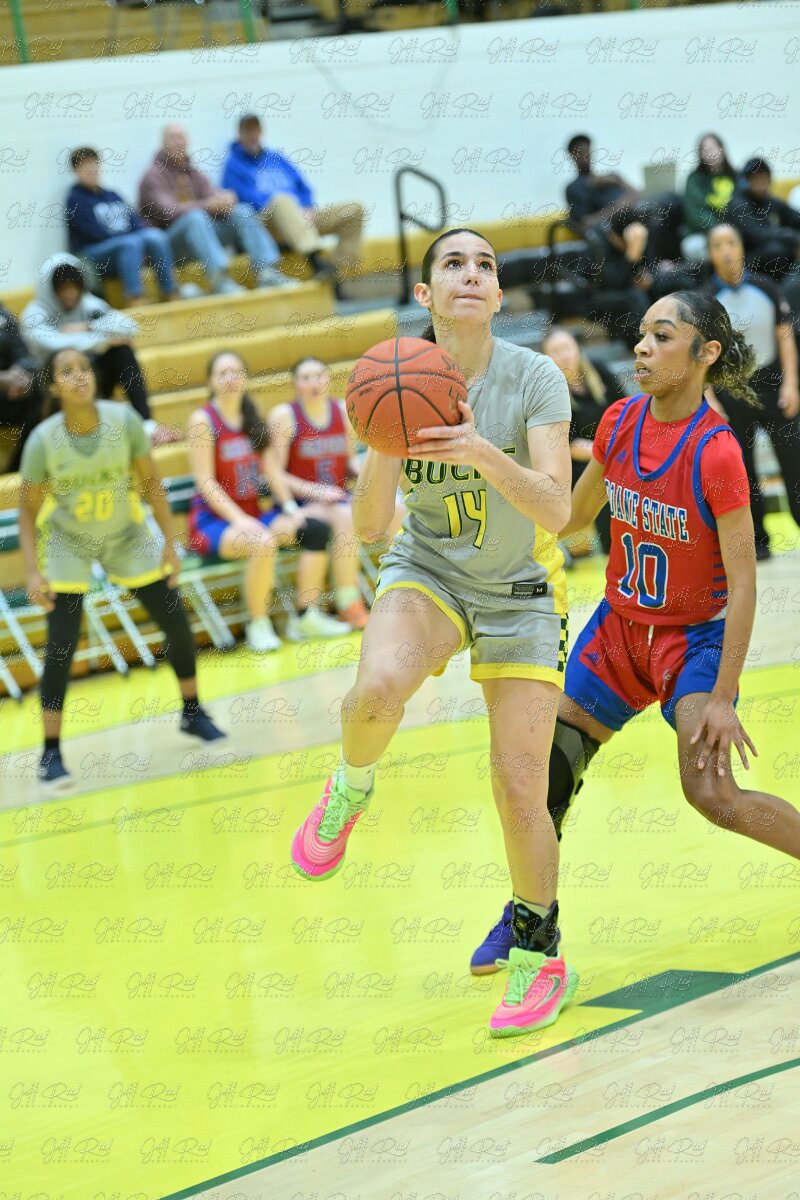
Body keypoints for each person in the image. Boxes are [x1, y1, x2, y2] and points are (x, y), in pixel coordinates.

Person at [290, 228, 578, 1039]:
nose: (471, 273)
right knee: (375, 690)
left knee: (518, 785)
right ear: (426, 295)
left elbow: (559, 508)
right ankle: (351, 787)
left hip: (522, 592)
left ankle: (539, 957)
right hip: (431, 569)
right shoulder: (391, 376)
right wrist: (386, 440)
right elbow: (370, 526)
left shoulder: (535, 378)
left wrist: (481, 451)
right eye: (454, 263)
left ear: (498, 295)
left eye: (485, 265)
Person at [470, 292, 800, 977]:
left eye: (663, 336)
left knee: (712, 796)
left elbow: (745, 584)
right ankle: (528, 913)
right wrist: (490, 463)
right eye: (642, 334)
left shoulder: (716, 452)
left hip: (694, 642)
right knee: (546, 776)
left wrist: (723, 695)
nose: (642, 347)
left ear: (706, 353)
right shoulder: (620, 422)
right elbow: (568, 518)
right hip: (619, 633)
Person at [18, 348, 225, 792]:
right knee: (61, 643)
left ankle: (192, 712)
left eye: (84, 369)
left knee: (175, 619)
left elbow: (151, 484)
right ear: (53, 385)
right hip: (68, 540)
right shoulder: (41, 440)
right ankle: (50, 752)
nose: (80, 377)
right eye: (67, 371)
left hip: (126, 533)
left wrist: (169, 544)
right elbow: (27, 511)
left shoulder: (124, 420)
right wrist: (33, 572)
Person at [187, 350, 347, 653]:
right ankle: (258, 625)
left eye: (236, 372)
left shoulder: (252, 417)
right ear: (210, 381)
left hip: (253, 517)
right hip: (213, 523)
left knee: (313, 528)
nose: (230, 378)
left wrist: (289, 508)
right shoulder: (203, 420)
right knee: (263, 542)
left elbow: (272, 471)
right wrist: (239, 520)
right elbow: (205, 483)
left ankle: (305, 616)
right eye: (222, 373)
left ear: (245, 378)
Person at [705, 224, 800, 560]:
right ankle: (758, 540)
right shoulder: (705, 301)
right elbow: (700, 355)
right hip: (731, 390)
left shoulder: (766, 287)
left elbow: (785, 338)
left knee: (794, 461)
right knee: (742, 471)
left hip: (774, 385)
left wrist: (791, 384)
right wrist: (711, 400)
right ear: (710, 253)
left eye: (731, 242)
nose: (726, 250)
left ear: (742, 247)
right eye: (718, 245)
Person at [20, 255, 177, 448]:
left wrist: (87, 326)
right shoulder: (34, 313)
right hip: (53, 390)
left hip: (91, 379)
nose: (70, 293)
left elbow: (129, 327)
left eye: (74, 287)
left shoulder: (88, 304)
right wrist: (102, 341)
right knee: (57, 369)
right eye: (63, 288)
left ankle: (147, 425)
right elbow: (53, 344)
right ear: (50, 290)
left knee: (122, 352)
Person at [267, 357, 374, 631]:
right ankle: (348, 601)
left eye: (319, 375)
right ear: (295, 384)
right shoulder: (284, 416)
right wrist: (315, 490)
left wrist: (367, 472)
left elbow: (349, 461)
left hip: (336, 499)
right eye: (305, 377)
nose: (314, 382)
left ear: (328, 379)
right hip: (298, 503)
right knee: (346, 518)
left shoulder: (341, 410)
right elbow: (274, 473)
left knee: (398, 509)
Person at [138, 124, 297, 294]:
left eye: (182, 137)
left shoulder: (193, 172)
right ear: (163, 144)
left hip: (200, 237)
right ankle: (220, 281)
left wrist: (224, 200)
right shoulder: (152, 176)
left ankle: (267, 273)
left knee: (242, 212)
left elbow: (211, 195)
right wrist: (208, 205)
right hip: (171, 247)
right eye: (174, 138)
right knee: (195, 218)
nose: (179, 142)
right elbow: (169, 211)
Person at [221, 115, 365, 287]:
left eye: (256, 131)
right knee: (281, 200)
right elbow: (247, 200)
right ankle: (314, 258)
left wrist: (307, 207)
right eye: (248, 131)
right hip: (268, 224)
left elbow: (303, 186)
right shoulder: (233, 165)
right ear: (240, 134)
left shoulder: (276, 158)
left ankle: (336, 275)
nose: (253, 136)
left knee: (354, 210)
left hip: (302, 217)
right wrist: (293, 211)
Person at [65, 147, 191, 306]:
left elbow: (135, 223)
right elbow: (93, 233)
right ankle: (134, 297)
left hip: (125, 245)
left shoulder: (112, 195)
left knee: (155, 236)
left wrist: (139, 237)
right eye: (85, 166)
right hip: (93, 252)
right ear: (76, 172)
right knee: (130, 243)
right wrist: (131, 239)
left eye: (94, 164)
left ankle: (170, 291)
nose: (91, 170)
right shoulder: (75, 200)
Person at [541, 327, 624, 555]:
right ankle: (612, 549)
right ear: (547, 358)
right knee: (604, 477)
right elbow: (566, 445)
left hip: (612, 450)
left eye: (567, 348)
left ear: (577, 349)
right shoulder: (548, 391)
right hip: (575, 463)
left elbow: (626, 408)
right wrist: (605, 453)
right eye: (556, 351)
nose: (564, 355)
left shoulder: (598, 369)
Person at [728, 158, 800, 282]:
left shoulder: (770, 201)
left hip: (769, 253)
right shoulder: (738, 205)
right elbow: (757, 234)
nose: (760, 184)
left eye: (764, 178)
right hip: (744, 260)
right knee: (776, 250)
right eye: (755, 179)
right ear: (745, 182)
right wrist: (794, 238)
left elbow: (795, 217)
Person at [0, 301, 42, 472]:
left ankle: (19, 467)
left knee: (42, 391)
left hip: (8, 393)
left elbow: (24, 354)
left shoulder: (3, 315)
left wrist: (20, 373)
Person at [681, 133, 737, 261]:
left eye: (712, 148)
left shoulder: (735, 176)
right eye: (704, 150)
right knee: (694, 247)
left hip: (734, 231)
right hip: (703, 233)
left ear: (722, 149)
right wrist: (718, 229)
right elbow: (695, 211)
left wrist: (732, 230)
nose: (710, 153)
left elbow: (743, 205)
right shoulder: (694, 179)